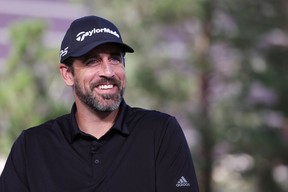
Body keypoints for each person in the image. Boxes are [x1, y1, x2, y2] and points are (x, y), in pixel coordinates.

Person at [0, 15, 199, 192]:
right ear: (68, 74)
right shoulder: (32, 146)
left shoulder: (160, 132)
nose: (109, 72)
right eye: (92, 61)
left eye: (115, 59)